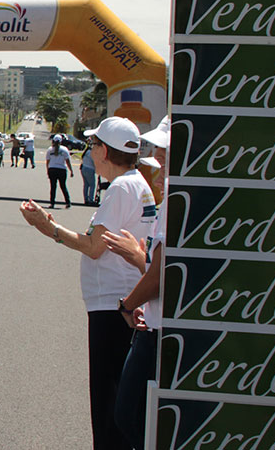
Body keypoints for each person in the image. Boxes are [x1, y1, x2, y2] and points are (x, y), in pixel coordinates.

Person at [18, 117, 154, 450]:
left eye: (92, 146)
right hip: (120, 301)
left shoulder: (122, 187)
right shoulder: (136, 183)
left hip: (114, 305)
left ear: (104, 151)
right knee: (119, 401)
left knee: (108, 406)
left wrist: (48, 228)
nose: (90, 152)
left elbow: (95, 247)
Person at [105, 117, 169, 450]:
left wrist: (128, 304)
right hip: (157, 319)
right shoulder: (162, 189)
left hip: (154, 328)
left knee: (130, 415)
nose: (157, 154)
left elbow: (160, 275)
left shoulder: (171, 195)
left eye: (163, 148)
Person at [45, 134, 74, 209]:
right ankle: (68, 202)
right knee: (63, 186)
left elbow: (47, 161)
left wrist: (48, 170)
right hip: (62, 169)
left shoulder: (50, 149)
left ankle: (52, 203)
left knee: (53, 187)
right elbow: (67, 161)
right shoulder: (64, 149)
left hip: (52, 169)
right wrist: (71, 171)